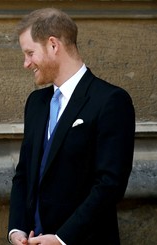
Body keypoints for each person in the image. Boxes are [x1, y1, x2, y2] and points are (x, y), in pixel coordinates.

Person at [7, 8, 135, 245]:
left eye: (30, 53)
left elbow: (110, 185)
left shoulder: (110, 101)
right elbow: (23, 174)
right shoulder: (35, 103)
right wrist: (16, 229)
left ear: (53, 45)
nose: (26, 63)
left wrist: (61, 239)